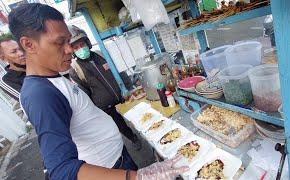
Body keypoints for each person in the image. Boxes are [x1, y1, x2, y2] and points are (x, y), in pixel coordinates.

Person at [9, 3, 187, 180]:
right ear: (29, 44)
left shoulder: (54, 78)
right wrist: (137, 177)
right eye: (59, 42)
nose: (70, 49)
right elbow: (62, 169)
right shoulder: (40, 94)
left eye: (68, 40)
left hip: (116, 160)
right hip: (108, 170)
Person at [68, 25, 141, 149]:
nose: (81, 49)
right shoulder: (75, 69)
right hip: (106, 107)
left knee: (140, 116)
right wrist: (94, 112)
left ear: (87, 43)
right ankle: (133, 138)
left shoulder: (100, 54)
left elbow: (120, 71)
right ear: (73, 51)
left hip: (123, 96)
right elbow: (84, 94)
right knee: (120, 125)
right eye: (76, 47)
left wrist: (129, 87)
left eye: (82, 45)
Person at [0, 33, 26, 101]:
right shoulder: (7, 80)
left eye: (20, 48)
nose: (21, 53)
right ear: (3, 58)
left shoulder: (36, 62)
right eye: (14, 52)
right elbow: (26, 100)